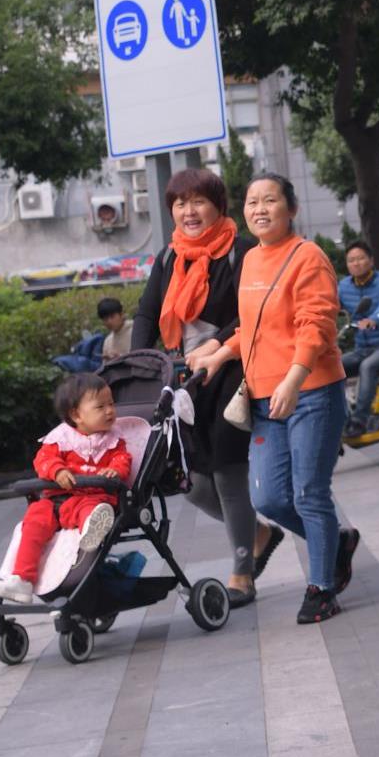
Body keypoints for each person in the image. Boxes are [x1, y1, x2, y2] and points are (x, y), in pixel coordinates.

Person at [189, 173, 358, 625]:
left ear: (291, 209)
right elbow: (253, 327)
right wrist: (219, 354)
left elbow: (316, 325)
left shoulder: (308, 257)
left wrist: (293, 379)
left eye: (269, 200)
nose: (259, 209)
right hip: (265, 399)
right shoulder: (251, 260)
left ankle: (322, 588)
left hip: (312, 393)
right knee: (268, 498)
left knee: (308, 493)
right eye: (252, 202)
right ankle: (335, 543)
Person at [132, 168, 277, 609]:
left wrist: (216, 346)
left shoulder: (241, 251)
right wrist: (138, 362)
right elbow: (146, 313)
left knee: (228, 471)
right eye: (180, 203)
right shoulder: (168, 257)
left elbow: (251, 313)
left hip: (232, 370)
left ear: (218, 206)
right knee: (191, 482)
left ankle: (242, 574)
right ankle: (258, 533)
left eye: (198, 202)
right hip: (185, 380)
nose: (189, 211)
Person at [0, 373, 132, 604]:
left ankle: (93, 529)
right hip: (57, 500)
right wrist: (58, 471)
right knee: (34, 521)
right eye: (100, 407)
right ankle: (22, 579)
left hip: (91, 496)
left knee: (93, 509)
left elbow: (123, 459)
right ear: (76, 415)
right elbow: (43, 460)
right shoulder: (60, 438)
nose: (110, 411)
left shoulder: (114, 440)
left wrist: (115, 470)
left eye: (111, 404)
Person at [339, 240, 379, 434]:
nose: (356, 263)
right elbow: (328, 306)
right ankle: (340, 418)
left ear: (371, 260)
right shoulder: (343, 286)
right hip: (362, 349)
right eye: (351, 260)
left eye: (360, 258)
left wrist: (374, 320)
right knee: (332, 368)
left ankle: (360, 421)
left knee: (368, 366)